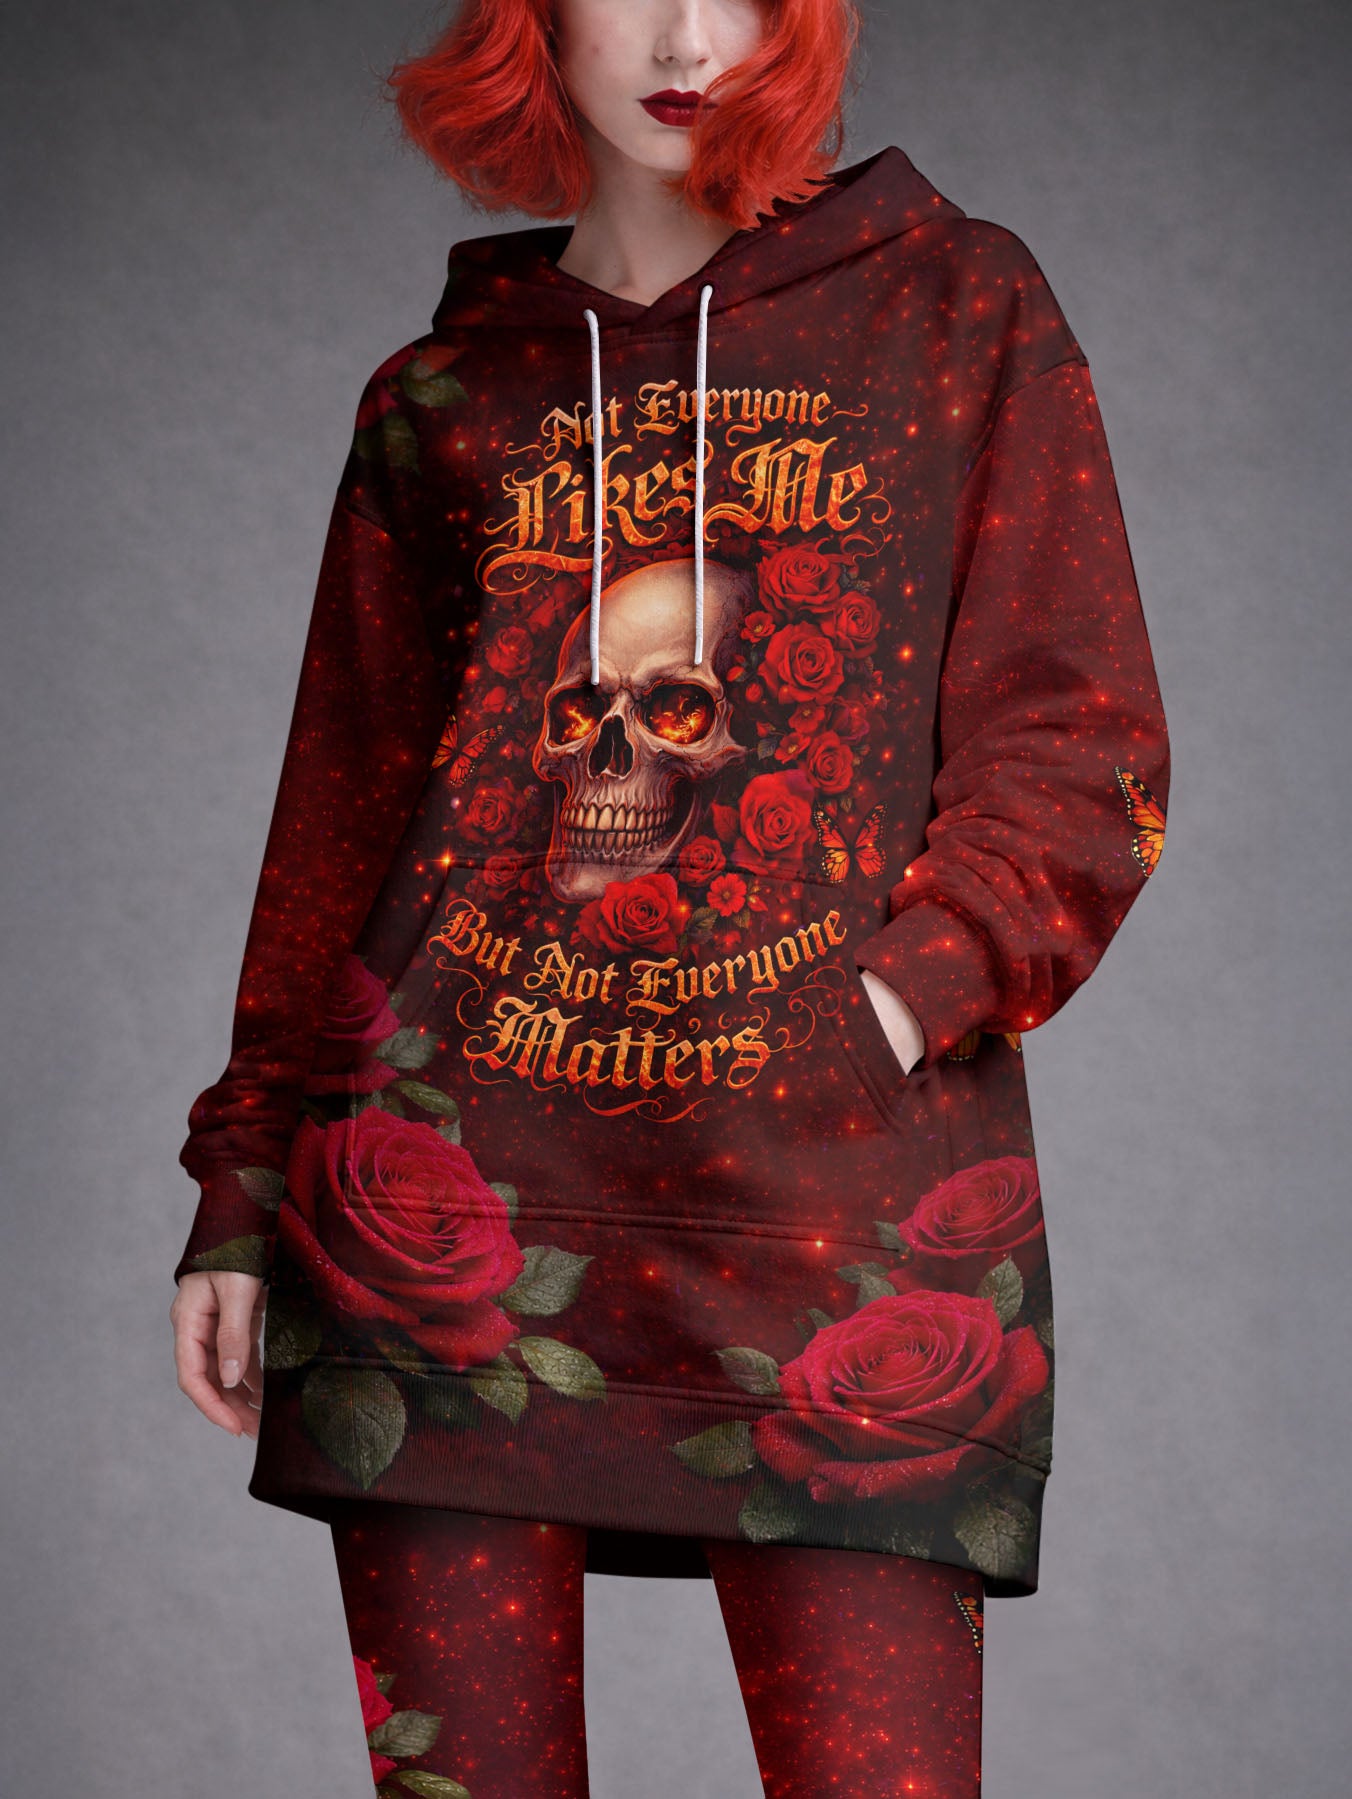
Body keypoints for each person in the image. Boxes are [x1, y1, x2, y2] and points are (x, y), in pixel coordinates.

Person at [169, 1, 1171, 1792]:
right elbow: (340, 822)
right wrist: (246, 1183)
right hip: (444, 1221)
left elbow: (1082, 740)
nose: (689, 34)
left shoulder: (956, 305)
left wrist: (894, 1004)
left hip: (835, 1234)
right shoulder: (444, 398)